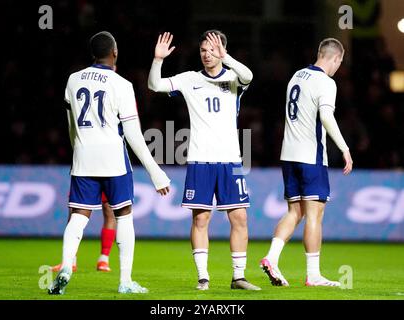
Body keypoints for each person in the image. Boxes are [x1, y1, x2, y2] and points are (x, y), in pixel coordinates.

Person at [48, 31, 170, 295]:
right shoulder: (122, 84)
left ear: (93, 53)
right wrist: (155, 172)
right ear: (114, 53)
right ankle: (125, 282)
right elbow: (134, 135)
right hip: (114, 158)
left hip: (83, 155)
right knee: (123, 215)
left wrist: (77, 149)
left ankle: (67, 266)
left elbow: (71, 127)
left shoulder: (72, 79)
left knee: (79, 216)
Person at [148, 31, 260, 291]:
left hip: (231, 160)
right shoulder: (190, 79)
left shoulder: (233, 78)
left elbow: (249, 76)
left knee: (240, 218)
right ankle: (203, 277)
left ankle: (239, 277)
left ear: (222, 49)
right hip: (200, 160)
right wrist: (157, 60)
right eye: (203, 50)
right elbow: (155, 85)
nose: (207, 54)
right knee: (200, 219)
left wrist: (227, 57)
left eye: (212, 49)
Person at [259, 38, 353, 287]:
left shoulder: (297, 76)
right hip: (311, 156)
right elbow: (326, 116)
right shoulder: (326, 82)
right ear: (334, 58)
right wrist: (344, 148)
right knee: (315, 214)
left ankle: (271, 257)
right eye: (339, 63)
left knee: (295, 211)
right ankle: (313, 274)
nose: (337, 68)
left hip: (288, 154)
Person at [50, 193, 116, 273]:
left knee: (109, 211)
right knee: (74, 212)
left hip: (107, 180)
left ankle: (104, 260)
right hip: (85, 180)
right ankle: (70, 261)